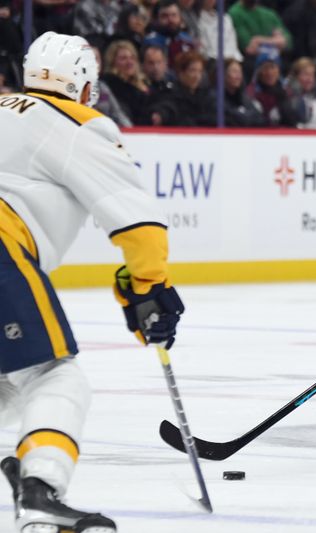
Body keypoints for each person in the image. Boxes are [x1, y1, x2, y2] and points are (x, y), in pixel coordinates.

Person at [0, 32, 184, 531]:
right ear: (85, 87)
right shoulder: (79, 123)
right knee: (55, 375)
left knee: (9, 385)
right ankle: (40, 487)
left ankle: (22, 467)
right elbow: (138, 223)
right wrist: (149, 286)